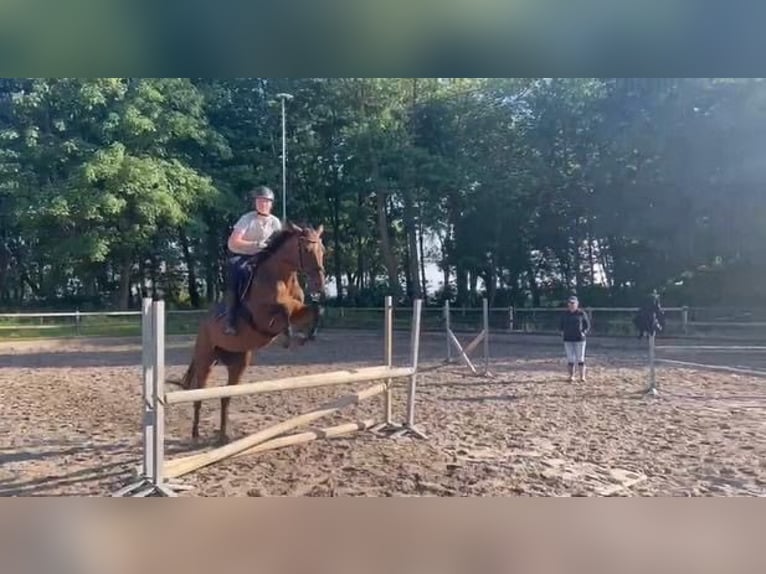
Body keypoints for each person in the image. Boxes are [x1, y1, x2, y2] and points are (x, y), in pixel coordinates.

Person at [223, 186, 282, 335]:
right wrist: (255, 245)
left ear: (271, 204)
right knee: (238, 270)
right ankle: (230, 318)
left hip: (263, 257)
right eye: (260, 201)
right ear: (255, 203)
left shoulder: (275, 222)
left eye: (266, 201)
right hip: (243, 255)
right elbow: (233, 242)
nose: (263, 204)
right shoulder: (246, 219)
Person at [559, 295, 591, 382]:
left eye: (573, 303)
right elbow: (561, 325)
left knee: (580, 359)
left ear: (577, 304)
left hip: (579, 339)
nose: (572, 305)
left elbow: (587, 325)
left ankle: (582, 377)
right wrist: (562, 332)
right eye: (570, 303)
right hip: (568, 339)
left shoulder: (581, 313)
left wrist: (584, 332)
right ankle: (571, 376)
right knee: (570, 359)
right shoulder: (565, 314)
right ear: (568, 304)